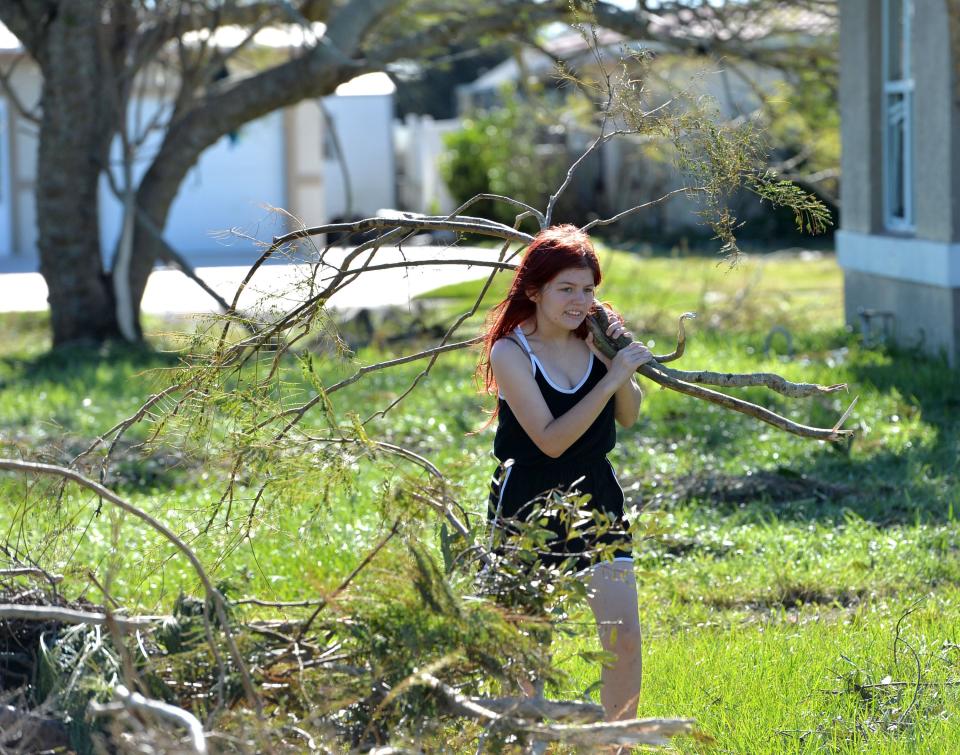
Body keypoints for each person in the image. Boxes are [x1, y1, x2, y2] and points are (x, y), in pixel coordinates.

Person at [478, 224, 653, 722]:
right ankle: (528, 742)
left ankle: (616, 746)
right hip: (528, 501)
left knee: (623, 638)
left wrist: (618, 363)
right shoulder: (510, 352)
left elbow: (628, 415)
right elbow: (550, 440)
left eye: (589, 289)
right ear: (534, 290)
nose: (580, 301)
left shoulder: (592, 337)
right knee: (528, 646)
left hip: (597, 493)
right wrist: (612, 379)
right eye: (566, 289)